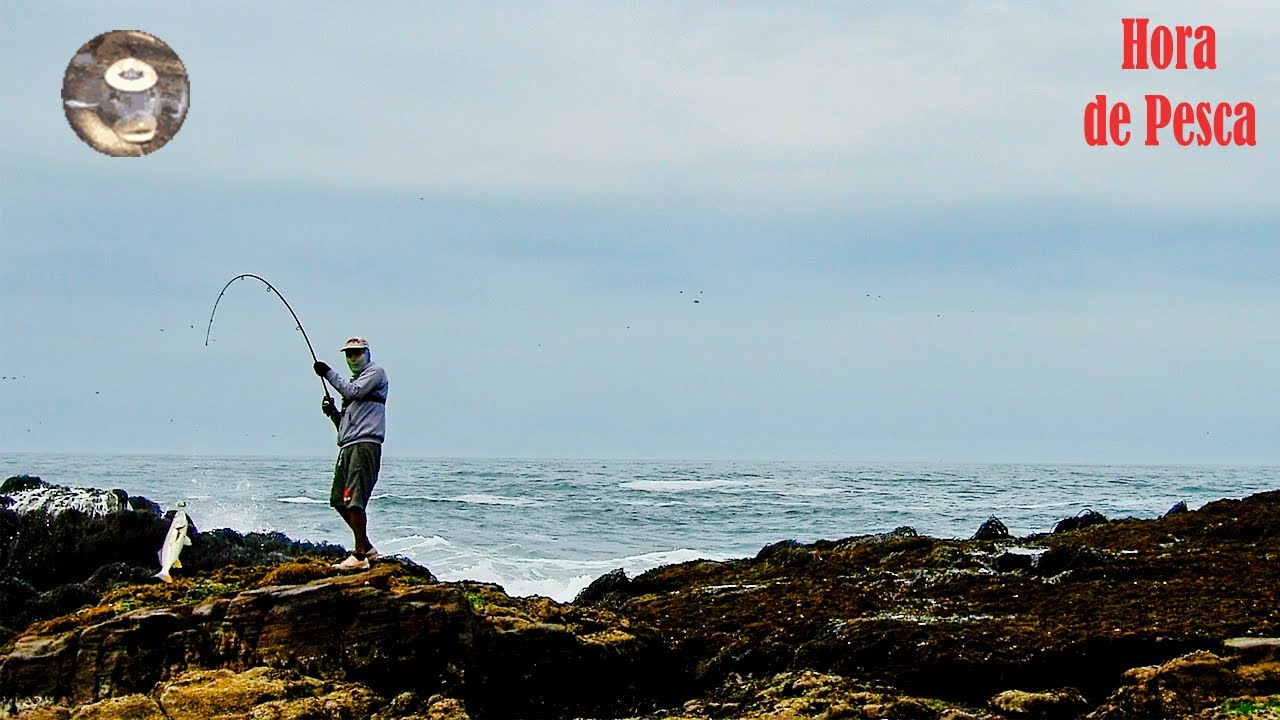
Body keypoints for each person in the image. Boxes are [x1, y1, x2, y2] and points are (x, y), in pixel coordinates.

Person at [313, 336, 389, 571]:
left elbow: (353, 391)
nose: (352, 357)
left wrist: (327, 372)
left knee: (354, 500)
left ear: (367, 353)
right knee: (339, 499)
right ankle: (367, 548)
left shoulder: (375, 373)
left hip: (364, 445)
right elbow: (346, 426)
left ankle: (359, 556)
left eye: (356, 353)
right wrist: (334, 413)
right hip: (349, 446)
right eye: (348, 354)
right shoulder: (355, 382)